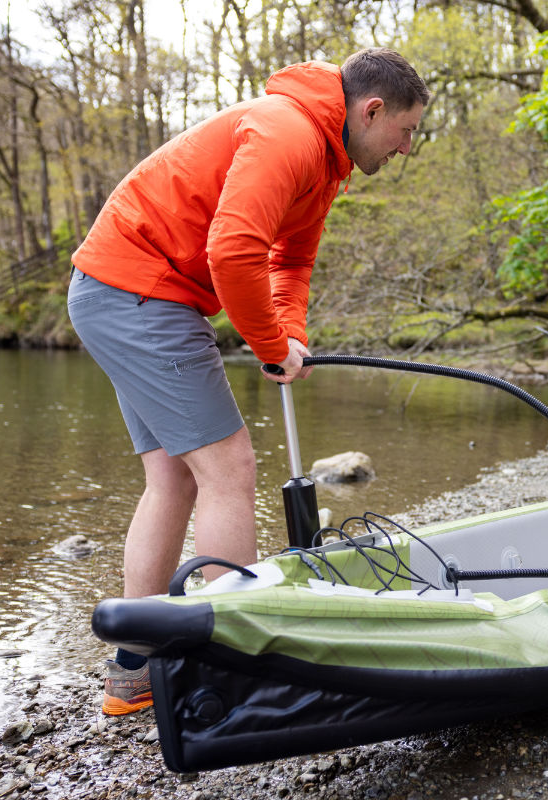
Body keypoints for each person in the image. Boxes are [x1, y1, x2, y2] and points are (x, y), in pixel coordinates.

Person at [66, 48, 429, 716]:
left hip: (118, 288)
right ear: (372, 110)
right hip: (140, 287)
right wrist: (266, 341)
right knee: (229, 469)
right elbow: (232, 252)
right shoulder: (287, 133)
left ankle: (133, 674)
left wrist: (289, 337)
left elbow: (290, 261)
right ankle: (223, 674)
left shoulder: (326, 162)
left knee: (174, 477)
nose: (407, 149)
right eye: (405, 132)